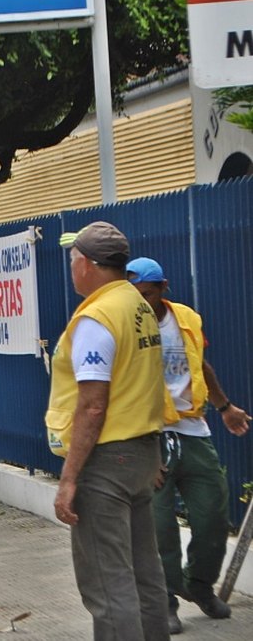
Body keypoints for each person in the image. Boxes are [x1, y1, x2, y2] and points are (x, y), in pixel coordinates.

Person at [47, 221, 170, 640]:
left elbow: (93, 404)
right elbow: (150, 381)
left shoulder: (98, 317)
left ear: (88, 265)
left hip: (106, 461)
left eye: (73, 258)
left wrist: (69, 479)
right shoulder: (139, 307)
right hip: (140, 454)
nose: (71, 265)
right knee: (144, 574)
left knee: (108, 582)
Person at [126, 257, 250, 634]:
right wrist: (143, 451)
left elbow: (201, 365)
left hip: (194, 431)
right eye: (135, 296)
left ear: (163, 287)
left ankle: (198, 584)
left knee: (213, 514)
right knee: (159, 526)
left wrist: (225, 407)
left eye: (147, 294)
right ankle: (163, 601)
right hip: (151, 435)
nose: (141, 303)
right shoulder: (125, 326)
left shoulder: (186, 319)